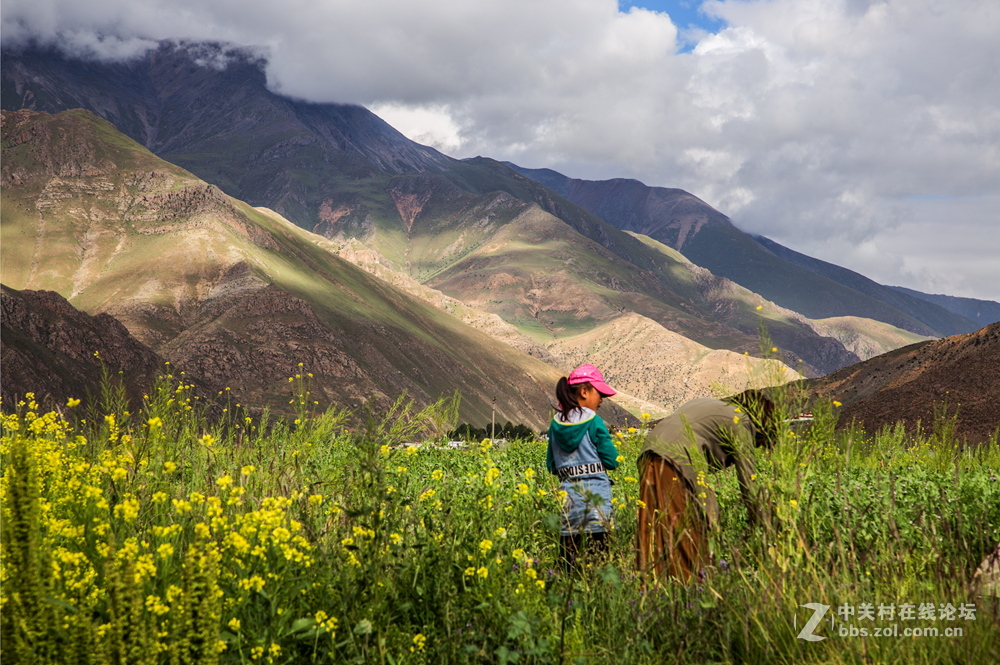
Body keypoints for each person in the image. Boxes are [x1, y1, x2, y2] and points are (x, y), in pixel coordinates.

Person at [636, 392, 776, 583]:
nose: (757, 445)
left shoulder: (713, 406)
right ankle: (691, 587)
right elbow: (749, 485)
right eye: (758, 442)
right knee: (692, 526)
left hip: (650, 450)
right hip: (676, 457)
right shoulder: (741, 421)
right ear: (760, 425)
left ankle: (652, 586)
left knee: (654, 526)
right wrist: (764, 525)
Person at [547, 363, 620, 568]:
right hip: (597, 499)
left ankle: (565, 587)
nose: (602, 400)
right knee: (600, 553)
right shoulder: (594, 421)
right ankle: (599, 591)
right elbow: (612, 460)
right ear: (584, 391)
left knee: (568, 553)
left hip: (569, 497)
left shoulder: (555, 423)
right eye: (599, 393)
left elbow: (552, 465)